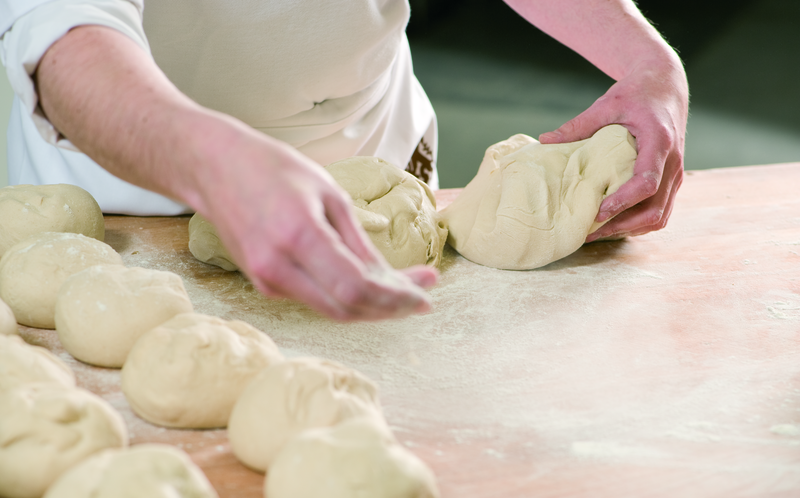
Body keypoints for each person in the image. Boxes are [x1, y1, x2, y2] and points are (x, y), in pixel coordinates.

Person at [0, 0, 688, 321]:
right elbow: (66, 44)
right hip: (128, 209)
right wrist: (216, 167)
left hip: (378, 171)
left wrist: (648, 62)